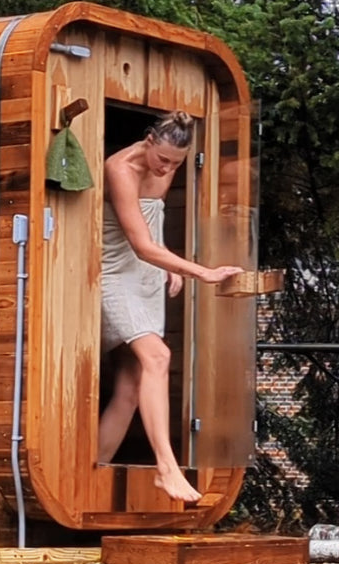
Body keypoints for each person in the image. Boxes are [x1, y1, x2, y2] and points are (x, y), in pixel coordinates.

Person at [98, 110, 243, 502]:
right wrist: (201, 272)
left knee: (131, 387)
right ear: (148, 140)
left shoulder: (168, 166)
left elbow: (152, 227)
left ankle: (90, 475)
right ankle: (167, 467)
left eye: (176, 164)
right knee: (159, 357)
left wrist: (167, 265)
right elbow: (139, 243)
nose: (166, 168)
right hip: (115, 276)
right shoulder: (119, 169)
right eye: (162, 159)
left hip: (147, 277)